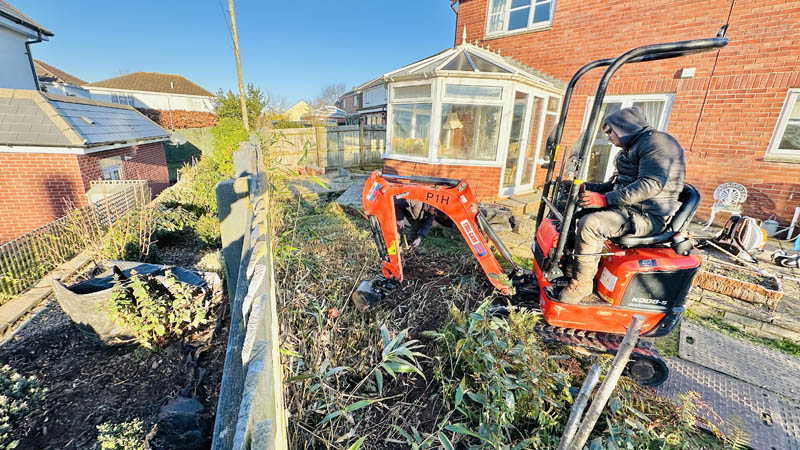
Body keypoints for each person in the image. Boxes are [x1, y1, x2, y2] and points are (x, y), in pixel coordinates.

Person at [560, 106, 686, 304]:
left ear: (625, 127)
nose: (608, 136)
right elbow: (613, 185)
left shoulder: (657, 143)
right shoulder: (632, 148)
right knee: (577, 212)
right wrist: (584, 186)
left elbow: (650, 185)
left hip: (648, 215)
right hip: (629, 209)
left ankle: (582, 285)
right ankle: (574, 265)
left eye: (610, 131)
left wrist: (604, 200)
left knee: (591, 224)